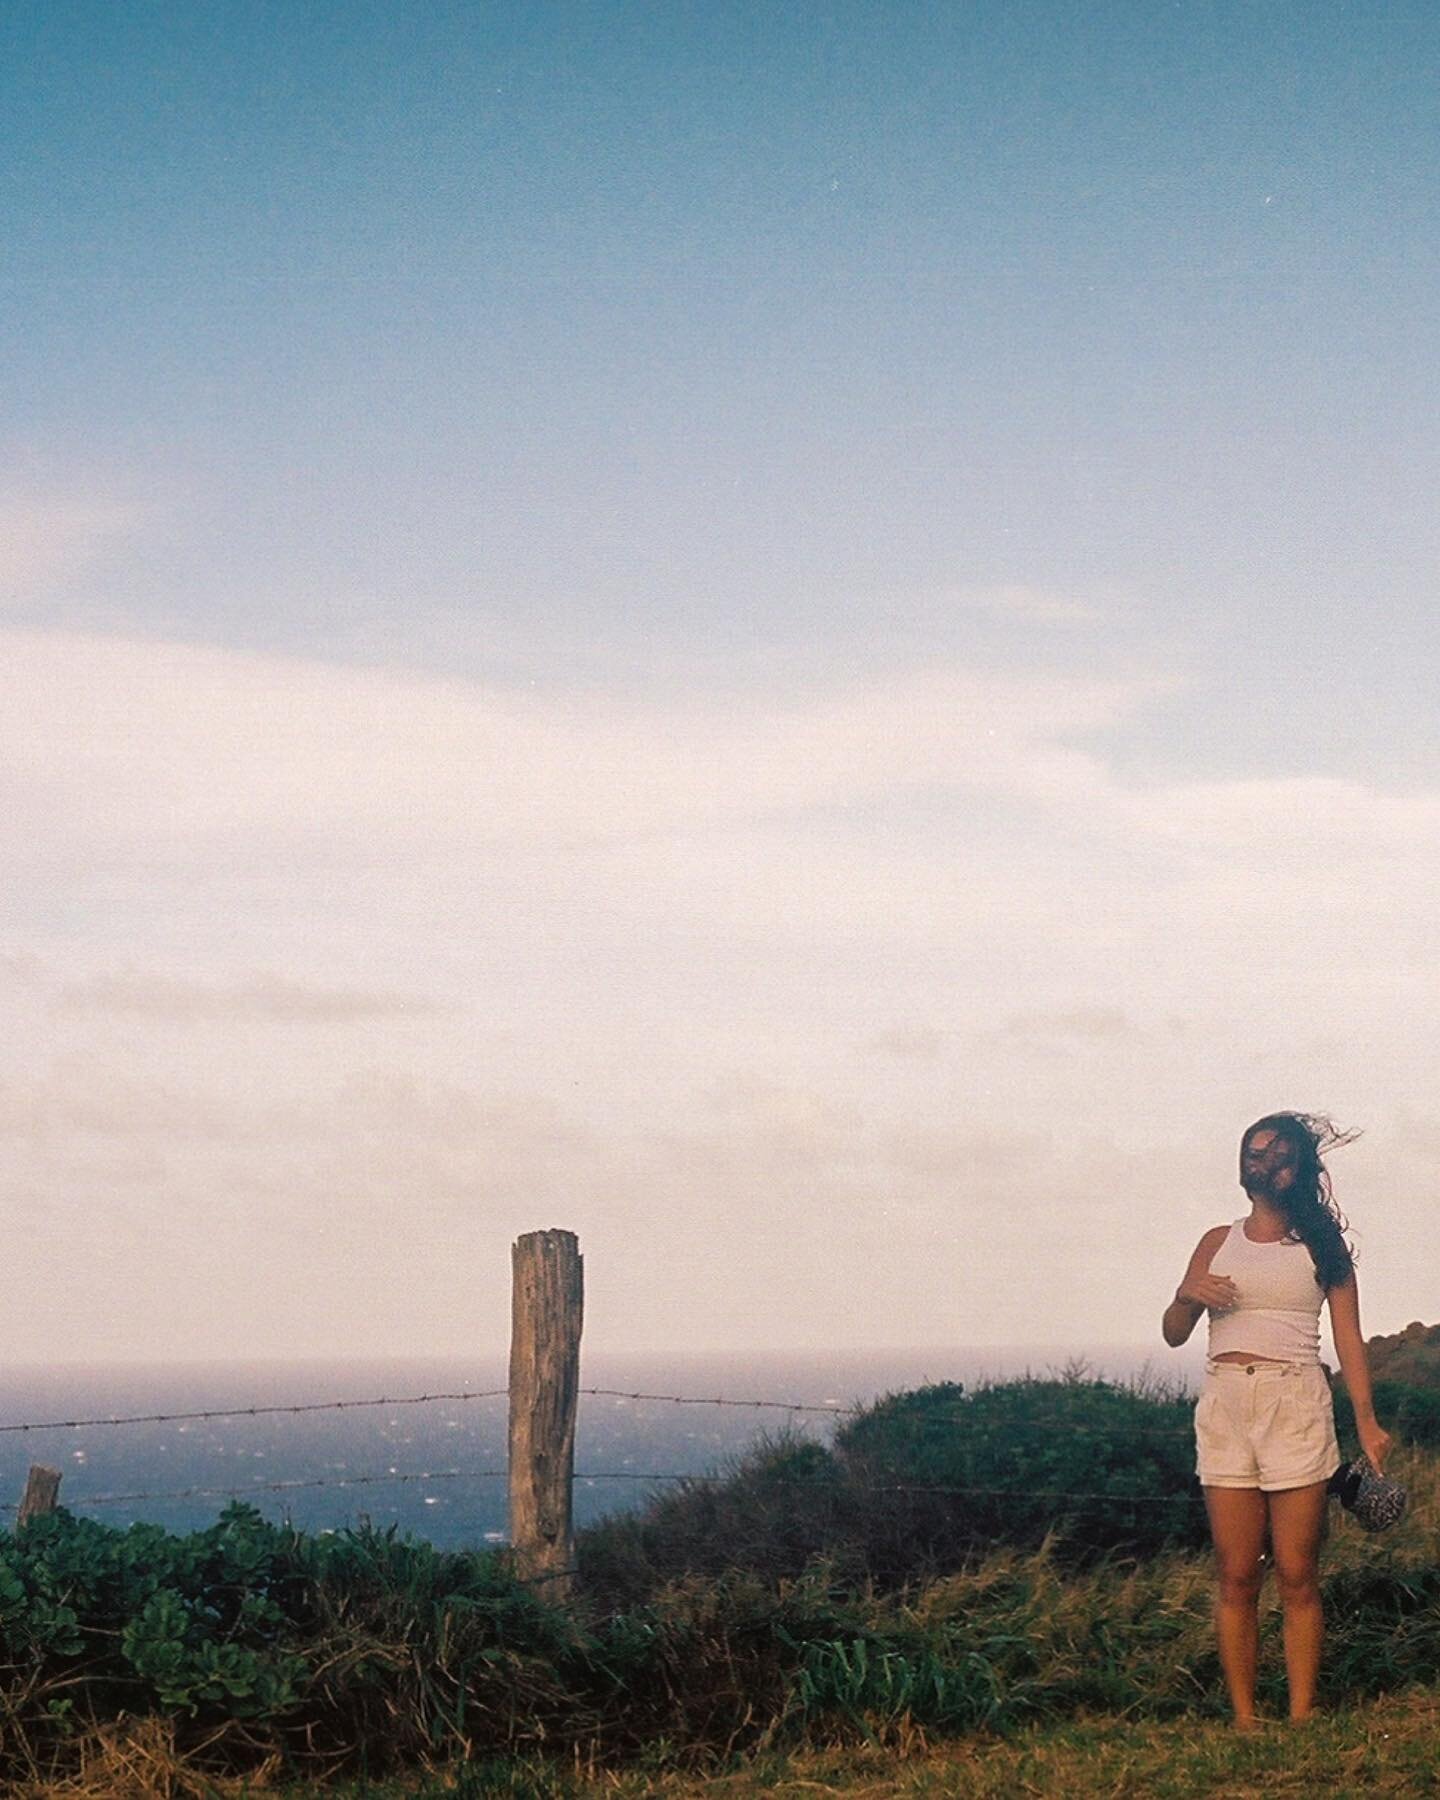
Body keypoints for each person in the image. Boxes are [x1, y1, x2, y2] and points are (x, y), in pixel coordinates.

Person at [1162, 1112, 1390, 1728]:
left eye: (1277, 1155)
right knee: (1236, 1574)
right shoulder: (1216, 1240)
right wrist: (1188, 1295)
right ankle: (1244, 1718)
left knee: (1297, 1573)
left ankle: (1300, 1713)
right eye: (1253, 1153)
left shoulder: (1321, 1247)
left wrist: (1366, 1424)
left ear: (1302, 1168)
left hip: (1295, 1404)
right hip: (1227, 1405)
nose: (1262, 1164)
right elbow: (1174, 1333)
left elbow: (1349, 1341)